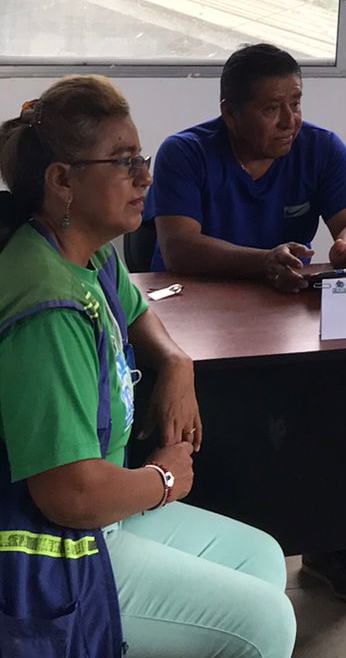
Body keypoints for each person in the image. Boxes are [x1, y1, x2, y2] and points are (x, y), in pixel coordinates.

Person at [0, 76, 295, 658]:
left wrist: (177, 363)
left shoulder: (86, 254)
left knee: (260, 558)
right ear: (62, 180)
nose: (145, 178)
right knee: (264, 626)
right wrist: (162, 480)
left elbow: (138, 313)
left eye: (142, 157)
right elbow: (68, 494)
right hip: (51, 544)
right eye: (123, 161)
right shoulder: (47, 309)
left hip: (100, 514)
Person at [146, 42, 346, 602]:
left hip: (283, 315)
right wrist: (262, 262)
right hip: (191, 321)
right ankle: (215, 545)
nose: (289, 120)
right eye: (272, 108)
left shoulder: (320, 147)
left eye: (296, 103)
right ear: (230, 112)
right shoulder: (185, 153)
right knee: (229, 428)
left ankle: (331, 544)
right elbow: (178, 247)